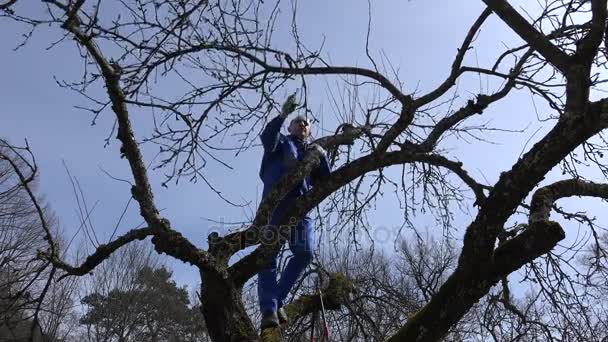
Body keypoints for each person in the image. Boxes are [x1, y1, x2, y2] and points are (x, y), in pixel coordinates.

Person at [257, 95, 331, 329]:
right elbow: (267, 138)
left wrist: (322, 156)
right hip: (276, 203)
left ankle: (276, 301)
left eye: (306, 123)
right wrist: (281, 116)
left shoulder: (312, 153)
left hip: (301, 209)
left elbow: (327, 182)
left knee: (305, 253)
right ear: (290, 127)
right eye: (297, 121)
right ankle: (269, 309)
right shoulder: (280, 142)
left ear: (309, 131)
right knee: (269, 254)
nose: (302, 124)